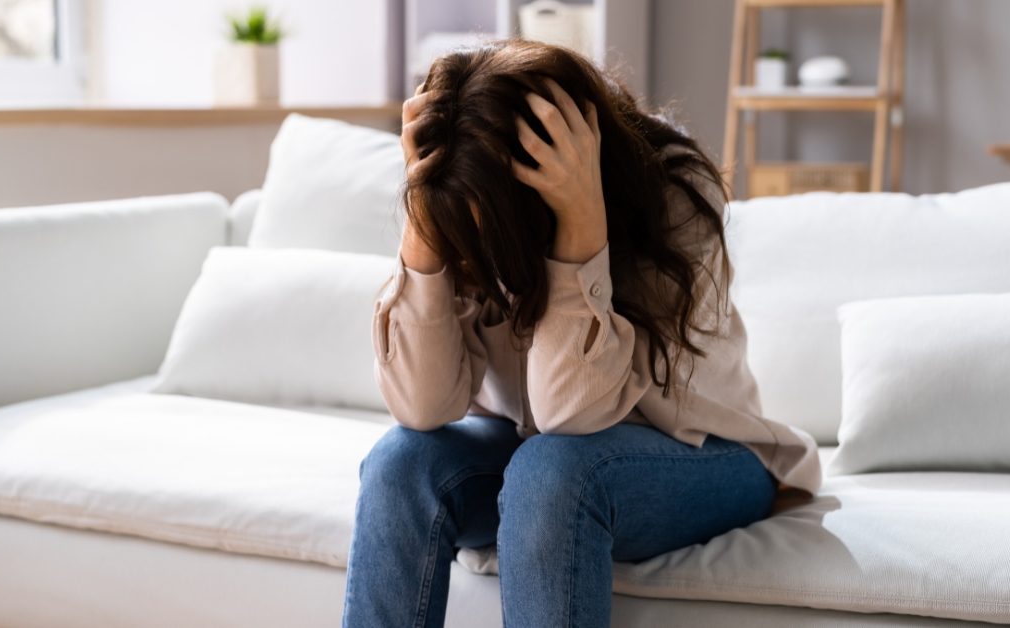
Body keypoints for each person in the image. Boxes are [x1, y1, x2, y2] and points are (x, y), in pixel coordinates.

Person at [342, 39, 820, 628]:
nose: (482, 253)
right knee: (399, 462)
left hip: (707, 454)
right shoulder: (461, 193)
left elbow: (569, 416)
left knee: (554, 473)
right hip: (535, 456)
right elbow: (422, 407)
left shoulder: (672, 194)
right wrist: (426, 212)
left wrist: (580, 225)